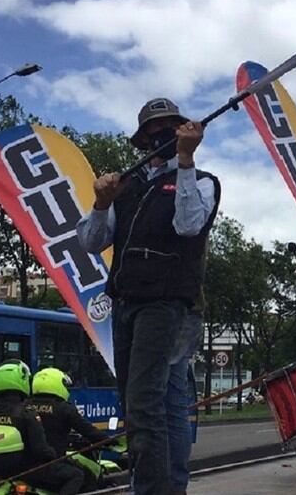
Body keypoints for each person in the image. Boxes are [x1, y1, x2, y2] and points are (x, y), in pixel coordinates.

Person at [76, 98, 220, 495]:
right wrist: (101, 202)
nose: (159, 138)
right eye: (152, 133)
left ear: (181, 134)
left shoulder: (202, 180)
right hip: (126, 304)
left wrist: (186, 161)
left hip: (170, 305)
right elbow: (91, 242)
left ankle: (153, 489)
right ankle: (166, 486)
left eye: (168, 130)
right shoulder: (130, 187)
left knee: (144, 404)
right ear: (141, 143)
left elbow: (189, 226)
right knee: (148, 402)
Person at [0, 360, 84, 495]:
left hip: (0, 473)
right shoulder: (26, 413)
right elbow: (40, 450)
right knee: (76, 475)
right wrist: (54, 456)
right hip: (30, 471)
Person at [27, 367, 112, 491]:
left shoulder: (25, 406)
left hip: (25, 466)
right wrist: (110, 440)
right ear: (56, 384)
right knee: (79, 475)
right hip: (51, 464)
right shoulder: (64, 409)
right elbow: (89, 431)